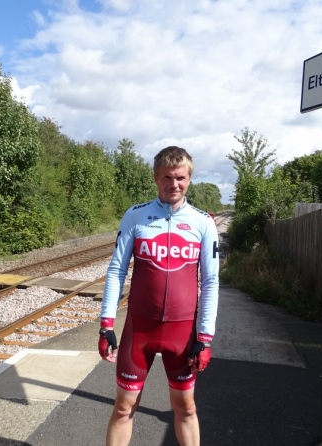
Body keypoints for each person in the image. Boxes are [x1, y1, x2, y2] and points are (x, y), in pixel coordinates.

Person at [98, 146, 220, 446]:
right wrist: (106, 324)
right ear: (156, 178)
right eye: (167, 177)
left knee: (186, 408)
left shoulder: (203, 222)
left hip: (182, 332)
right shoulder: (136, 216)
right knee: (124, 407)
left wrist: (205, 337)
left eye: (180, 177)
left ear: (189, 179)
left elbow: (212, 281)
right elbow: (116, 270)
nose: (173, 184)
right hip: (139, 330)